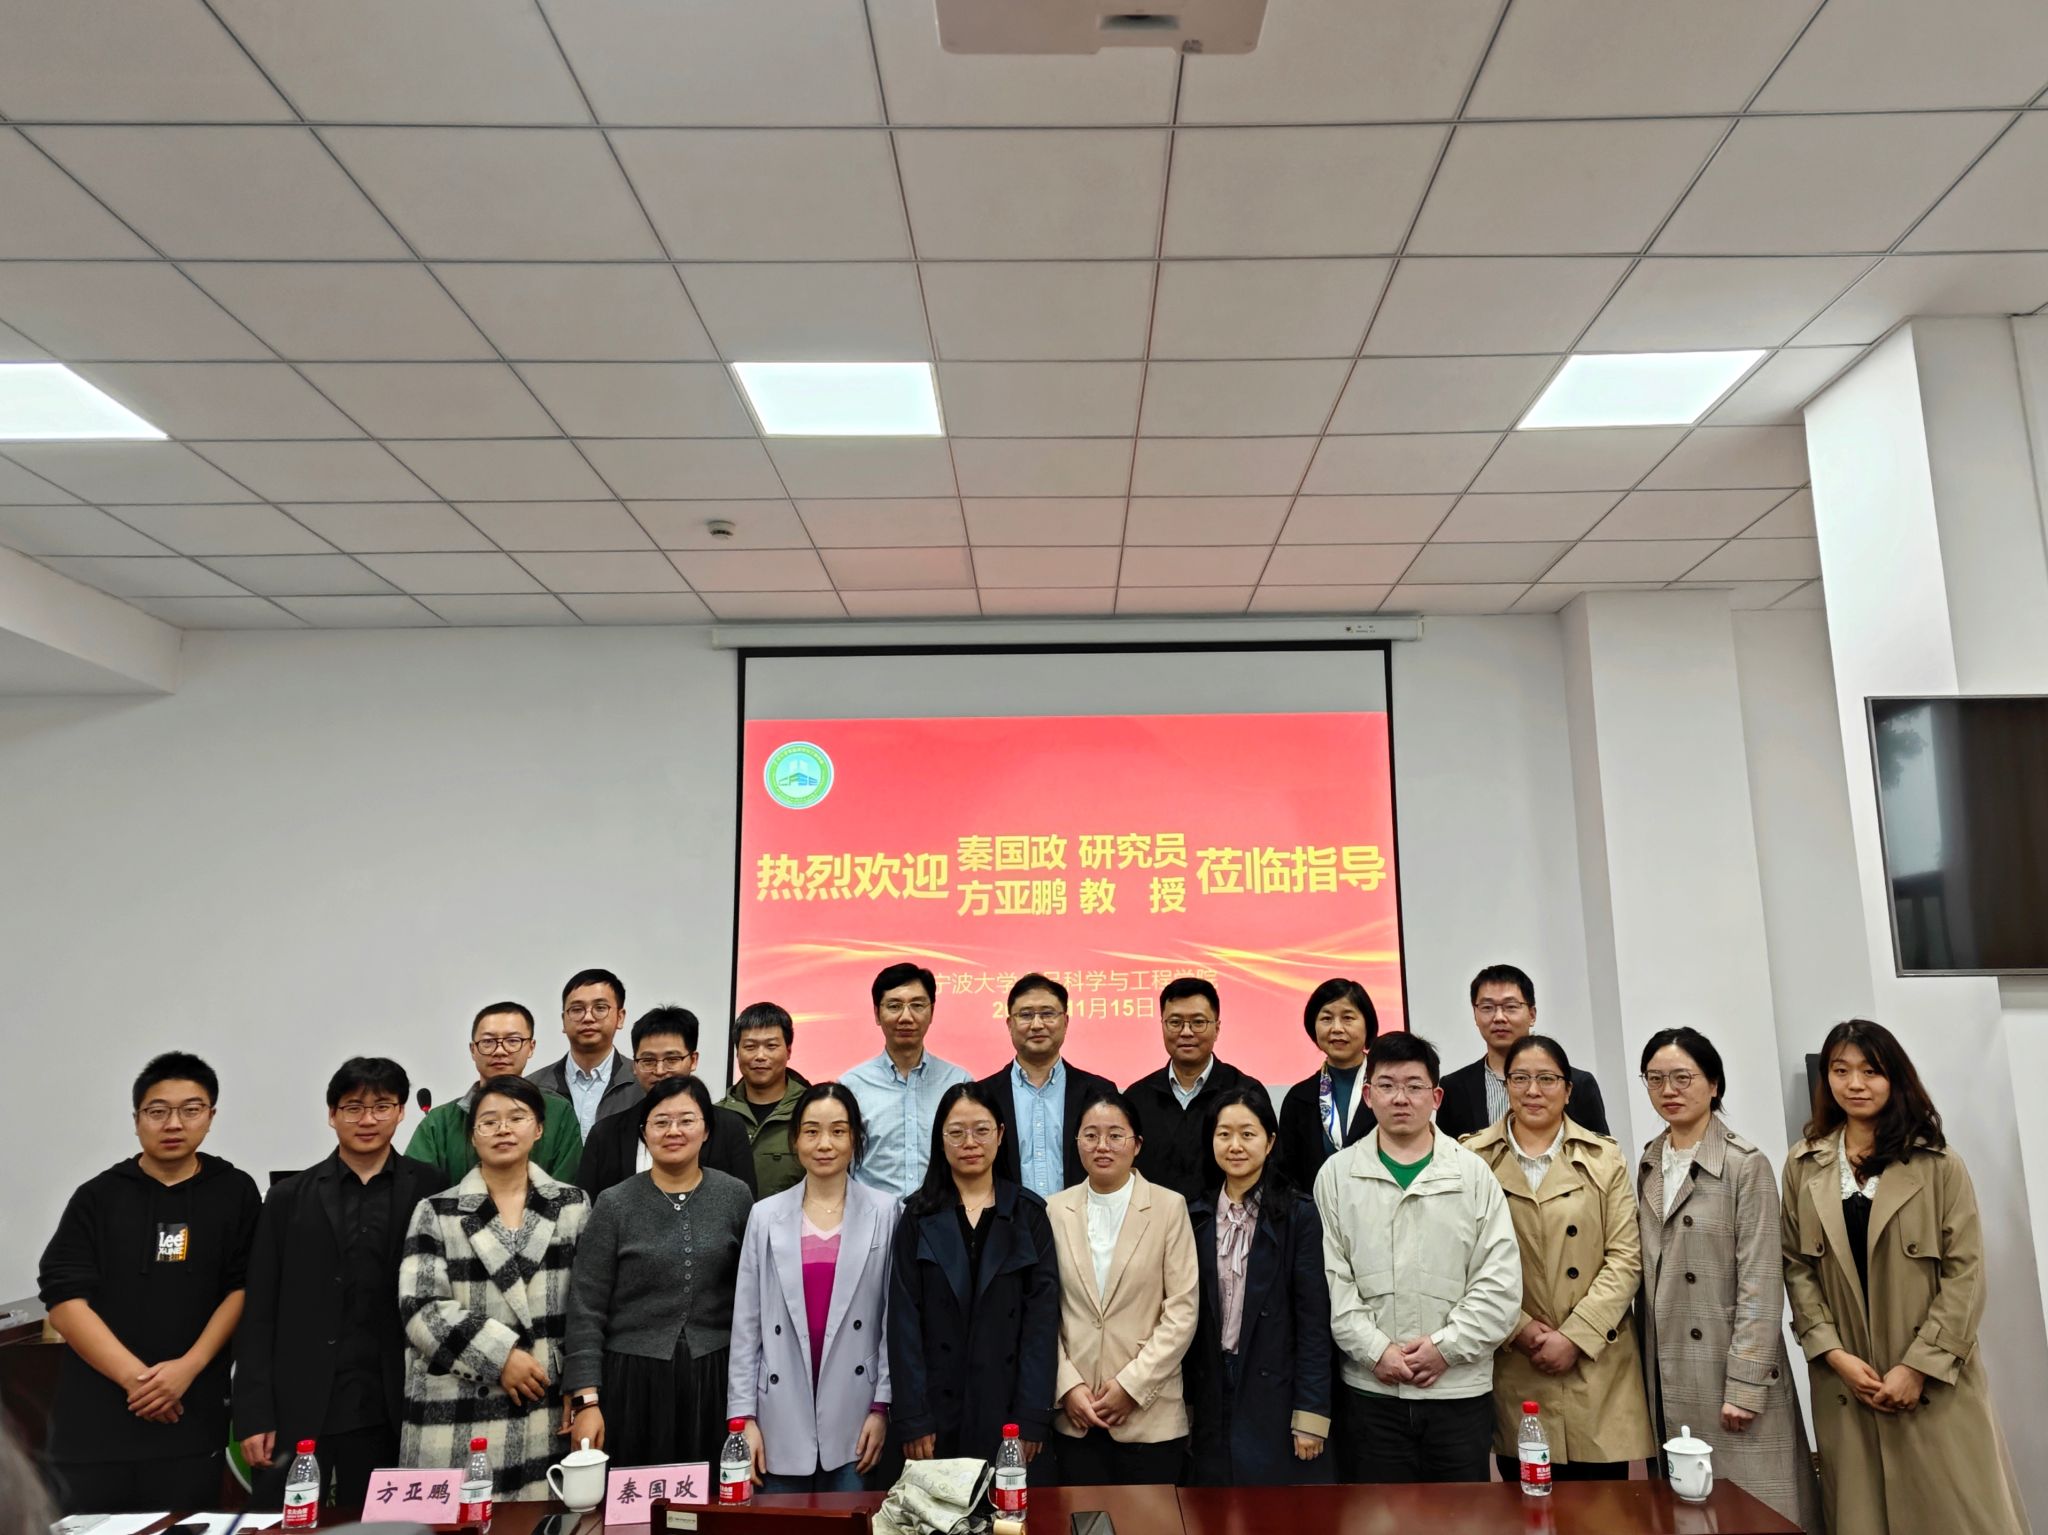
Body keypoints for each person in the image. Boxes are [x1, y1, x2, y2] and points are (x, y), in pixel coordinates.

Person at [1782, 1019, 2028, 1535]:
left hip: (1935, 1383)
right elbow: (1797, 1268)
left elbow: (1965, 1274)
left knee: (1959, 1516)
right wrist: (1833, 1354)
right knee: (1861, 1516)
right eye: (1840, 1071)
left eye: (1870, 1071)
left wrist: (1918, 1368)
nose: (1855, 1084)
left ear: (1895, 1078)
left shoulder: (1938, 1164)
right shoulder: (1803, 1167)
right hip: (1847, 1384)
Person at [37, 1051, 263, 1512]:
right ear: (137, 1119)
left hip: (190, 1417)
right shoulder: (98, 1196)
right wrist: (138, 1380)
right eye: (157, 1111)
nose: (173, 1123)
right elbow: (63, 1298)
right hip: (95, 1427)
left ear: (210, 1116)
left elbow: (242, 1287)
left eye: (190, 1109)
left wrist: (187, 1368)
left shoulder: (235, 1191)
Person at [1635, 1028, 1821, 1530]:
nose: (1669, 1090)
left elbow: (1762, 1281)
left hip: (1727, 1370)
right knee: (1690, 1509)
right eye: (1655, 1079)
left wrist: (1745, 1384)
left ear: (1713, 1083)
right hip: (1669, 1367)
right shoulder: (1650, 1161)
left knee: (1754, 1508)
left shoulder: (1745, 1164)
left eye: (1683, 1078)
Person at [236, 1057, 439, 1514]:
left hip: (390, 1405)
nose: (367, 1119)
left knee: (379, 1526)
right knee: (282, 1524)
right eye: (353, 1107)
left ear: (401, 1112)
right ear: (332, 1114)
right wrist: (254, 1413)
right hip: (298, 1406)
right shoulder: (288, 1198)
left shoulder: (430, 1189)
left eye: (382, 1106)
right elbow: (260, 1310)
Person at [1317, 1031, 1520, 1484]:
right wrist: (1376, 1352)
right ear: (1368, 1095)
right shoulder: (1336, 1176)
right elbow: (1333, 1283)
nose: (1400, 1098)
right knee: (1378, 1515)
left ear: (1436, 1097)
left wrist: (1445, 1349)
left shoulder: (1472, 1173)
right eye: (1387, 1085)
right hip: (1371, 1393)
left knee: (1462, 1516)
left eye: (1414, 1086)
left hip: (1458, 1392)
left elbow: (1499, 1283)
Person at [1465, 1034, 1653, 1481]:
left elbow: (1625, 1257)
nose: (1533, 1090)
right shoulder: (1471, 1158)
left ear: (1568, 1090)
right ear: (1506, 1086)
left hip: (1596, 1359)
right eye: (1520, 1079)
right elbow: (1463, 1260)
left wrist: (1575, 1336)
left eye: (1547, 1079)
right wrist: (1521, 1328)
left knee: (1603, 1508)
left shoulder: (1605, 1157)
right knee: (1525, 1501)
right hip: (1515, 1360)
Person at [397, 1075, 590, 1499]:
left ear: (538, 1129)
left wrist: (583, 1391)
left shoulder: (573, 1205)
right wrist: (500, 1356)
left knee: (540, 1519)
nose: (503, 1129)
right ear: (473, 1135)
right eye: (489, 1121)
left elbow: (587, 1307)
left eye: (517, 1117)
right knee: (460, 1517)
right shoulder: (437, 1210)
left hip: (544, 1396)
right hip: (460, 1402)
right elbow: (421, 1308)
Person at [564, 1077, 754, 1467]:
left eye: (686, 1120)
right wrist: (586, 1399)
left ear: (706, 1130)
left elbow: (752, 1299)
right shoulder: (614, 1203)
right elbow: (586, 1306)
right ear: (644, 1133)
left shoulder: (736, 1196)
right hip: (630, 1379)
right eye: (661, 1122)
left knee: (709, 1495)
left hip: (715, 1376)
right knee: (635, 1493)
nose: (673, 1131)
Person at [729, 1083, 900, 1492]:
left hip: (857, 1415)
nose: (824, 1144)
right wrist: (742, 1419)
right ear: (795, 1139)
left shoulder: (887, 1212)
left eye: (838, 1131)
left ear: (855, 1138)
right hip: (777, 1414)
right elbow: (746, 1325)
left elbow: (893, 1322)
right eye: (811, 1131)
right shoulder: (765, 1215)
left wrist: (882, 1407)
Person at [888, 1081, 1061, 1470]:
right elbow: (903, 1323)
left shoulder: (1029, 1215)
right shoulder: (917, 1217)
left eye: (981, 1130)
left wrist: (1033, 1416)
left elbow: (1041, 1324)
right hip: (935, 1412)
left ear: (1000, 1134)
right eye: (956, 1132)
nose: (970, 1143)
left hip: (1009, 1411)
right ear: (940, 1140)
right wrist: (913, 1417)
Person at [1045, 1089, 1198, 1486]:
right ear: (1076, 1142)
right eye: (1091, 1135)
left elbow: (1182, 1312)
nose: (1102, 1146)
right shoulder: (1054, 1210)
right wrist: (1067, 1387)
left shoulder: (1169, 1207)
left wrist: (1131, 1386)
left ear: (1137, 1144)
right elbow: (1043, 1311)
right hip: (1076, 1416)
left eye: (1115, 1135)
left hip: (1150, 1417)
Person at [1184, 1086, 1332, 1487]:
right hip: (1212, 1385)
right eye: (1224, 1134)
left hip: (1275, 1387)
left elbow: (1313, 1321)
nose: (1235, 1146)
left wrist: (1311, 1414)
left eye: (1247, 1134)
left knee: (1271, 1508)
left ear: (1269, 1142)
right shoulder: (1194, 1215)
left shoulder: (1299, 1214)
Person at [579, 1006, 757, 1198]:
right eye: (648, 1061)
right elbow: (587, 1208)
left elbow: (744, 1204)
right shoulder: (605, 1134)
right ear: (635, 1066)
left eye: (671, 1059)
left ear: (693, 1060)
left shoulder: (728, 1127)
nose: (660, 1070)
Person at [405, 1002, 583, 1185]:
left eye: (513, 1041)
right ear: (473, 1050)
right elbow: (415, 1189)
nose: (499, 1051)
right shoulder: (439, 1122)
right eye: (488, 1042)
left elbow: (566, 1189)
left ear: (531, 1047)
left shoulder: (558, 1113)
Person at [978, 973, 1116, 1198]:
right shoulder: (984, 1096)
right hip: (1006, 1219)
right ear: (1010, 1024)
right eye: (1026, 1015)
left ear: (1066, 1022)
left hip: (1083, 1216)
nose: (1037, 1024)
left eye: (1047, 1014)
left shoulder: (1099, 1093)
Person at [842, 962, 971, 1201]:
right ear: (876, 1014)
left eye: (917, 1005)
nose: (906, 1017)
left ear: (932, 1012)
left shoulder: (958, 1082)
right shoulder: (851, 1086)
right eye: (894, 1006)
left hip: (943, 1214)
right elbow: (841, 1164)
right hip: (873, 1217)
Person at [1436, 965, 1610, 1140]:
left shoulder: (1577, 1083)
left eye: (1510, 1006)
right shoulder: (1453, 1088)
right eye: (1487, 1007)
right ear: (1475, 1015)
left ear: (1532, 1014)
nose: (1499, 1017)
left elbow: (1598, 1152)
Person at [1125, 978, 1251, 1203]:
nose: (1186, 1032)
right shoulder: (1136, 1098)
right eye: (1175, 1022)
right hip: (1154, 1221)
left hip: (1227, 1221)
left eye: (1198, 1022)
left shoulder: (1245, 1091)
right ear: (1162, 1025)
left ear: (1217, 1028)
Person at [1278, 978, 1379, 1194]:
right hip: (1317, 1212)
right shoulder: (1299, 1098)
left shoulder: (1388, 1090)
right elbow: (1288, 1176)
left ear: (1367, 1024)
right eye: (1326, 1018)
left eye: (1348, 1018)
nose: (1337, 1028)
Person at [528, 967, 643, 1139]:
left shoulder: (642, 1082)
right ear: (563, 1021)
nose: (588, 1018)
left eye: (600, 1008)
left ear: (620, 1017)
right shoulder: (533, 1087)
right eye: (577, 1009)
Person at [719, 1002, 811, 1198]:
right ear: (737, 1052)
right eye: (750, 1047)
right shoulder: (716, 1116)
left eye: (771, 1046)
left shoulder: (811, 1113)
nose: (760, 1056)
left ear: (788, 1051)